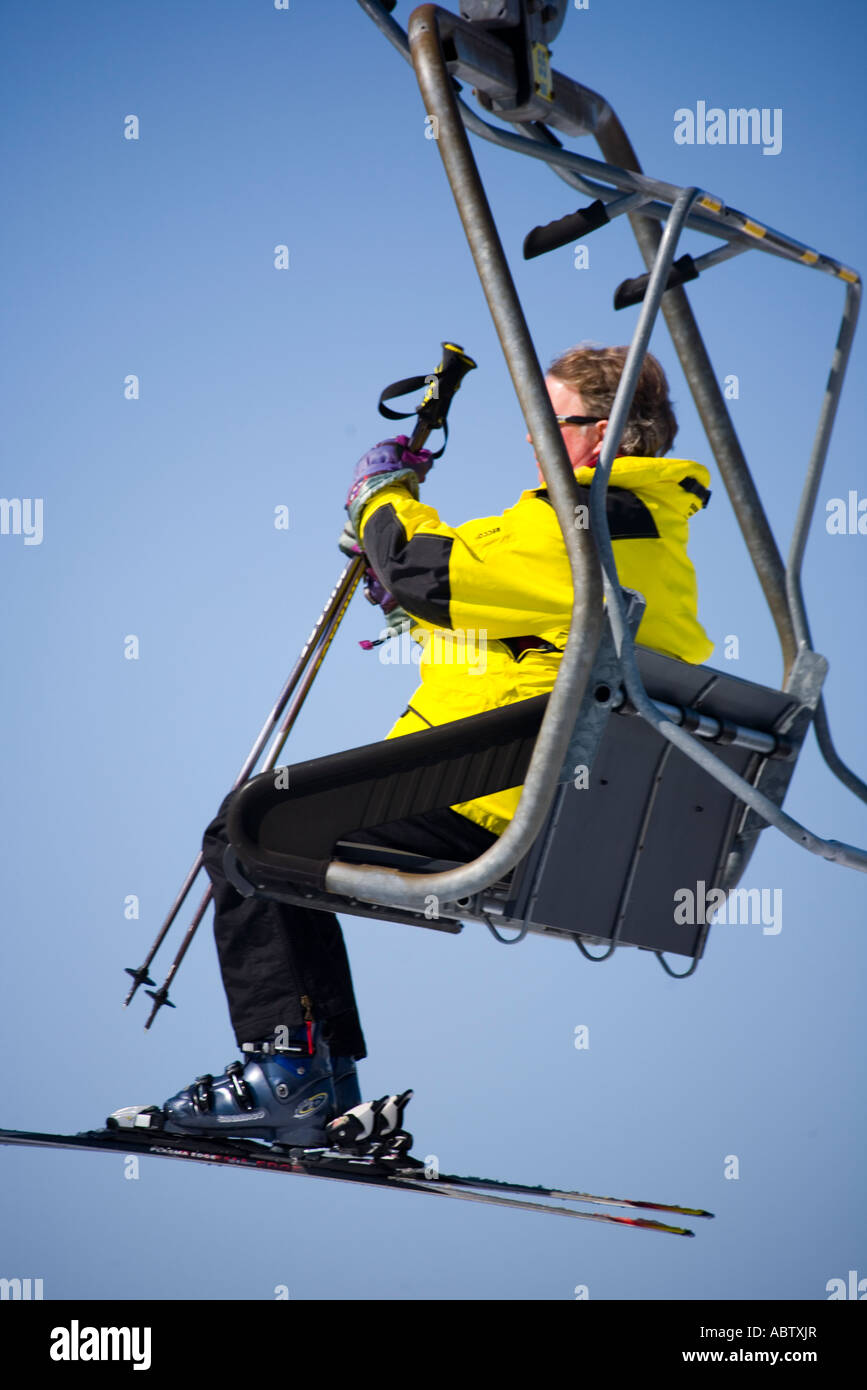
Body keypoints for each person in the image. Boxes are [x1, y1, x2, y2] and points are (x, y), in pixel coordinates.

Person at [111, 345, 713, 1147]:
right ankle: (311, 1084)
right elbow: (521, 639)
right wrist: (419, 608)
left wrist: (381, 499)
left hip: (492, 803)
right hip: (558, 811)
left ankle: (289, 1074)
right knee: (272, 835)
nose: (534, 441)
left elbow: (430, 568)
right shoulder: (644, 541)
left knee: (251, 829)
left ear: (599, 437)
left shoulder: (578, 527)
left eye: (549, 422)